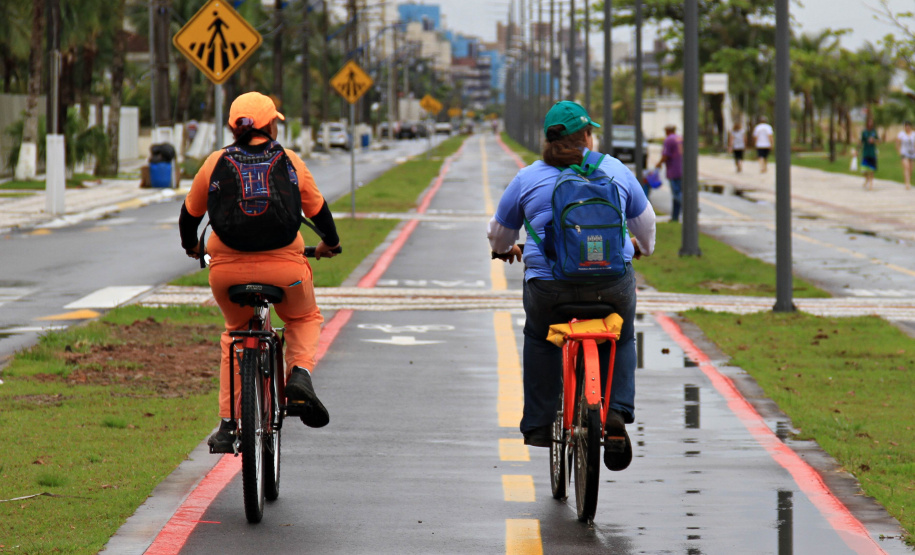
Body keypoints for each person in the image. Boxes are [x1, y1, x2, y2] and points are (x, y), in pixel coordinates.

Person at [487, 100, 657, 471]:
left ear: (548, 140)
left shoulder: (528, 177)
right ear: (586, 137)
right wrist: (641, 248)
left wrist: (503, 250)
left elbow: (499, 232)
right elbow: (646, 224)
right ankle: (616, 411)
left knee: (539, 337)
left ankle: (538, 424)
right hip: (611, 285)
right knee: (622, 336)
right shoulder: (614, 169)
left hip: (550, 289)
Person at [178, 92, 341, 452]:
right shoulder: (290, 160)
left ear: (233, 127)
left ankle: (227, 424)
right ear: (270, 126)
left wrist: (193, 247)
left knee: (234, 333)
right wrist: (330, 243)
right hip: (285, 269)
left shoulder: (215, 162)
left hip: (227, 273)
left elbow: (189, 216)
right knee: (303, 317)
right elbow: (319, 212)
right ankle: (299, 374)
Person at [655, 124, 683, 222]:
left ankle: (689, 207)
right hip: (682, 169)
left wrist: (659, 164)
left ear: (667, 131)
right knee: (678, 193)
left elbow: (666, 155)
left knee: (676, 194)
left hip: (674, 170)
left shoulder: (669, 140)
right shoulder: (680, 138)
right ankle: (675, 217)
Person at [860, 117, 879, 190]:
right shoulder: (864, 132)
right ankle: (867, 178)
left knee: (871, 169)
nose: (870, 124)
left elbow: (879, 141)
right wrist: (857, 150)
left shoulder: (874, 132)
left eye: (871, 122)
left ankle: (871, 183)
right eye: (869, 122)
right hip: (865, 152)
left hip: (872, 153)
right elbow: (861, 141)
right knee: (863, 169)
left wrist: (874, 140)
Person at [896, 121, 915, 190]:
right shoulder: (901, 134)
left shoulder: (913, 134)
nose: (907, 127)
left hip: (912, 153)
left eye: (908, 126)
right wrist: (899, 151)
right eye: (906, 126)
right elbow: (897, 143)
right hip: (904, 153)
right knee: (906, 167)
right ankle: (907, 183)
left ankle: (909, 180)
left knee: (910, 169)